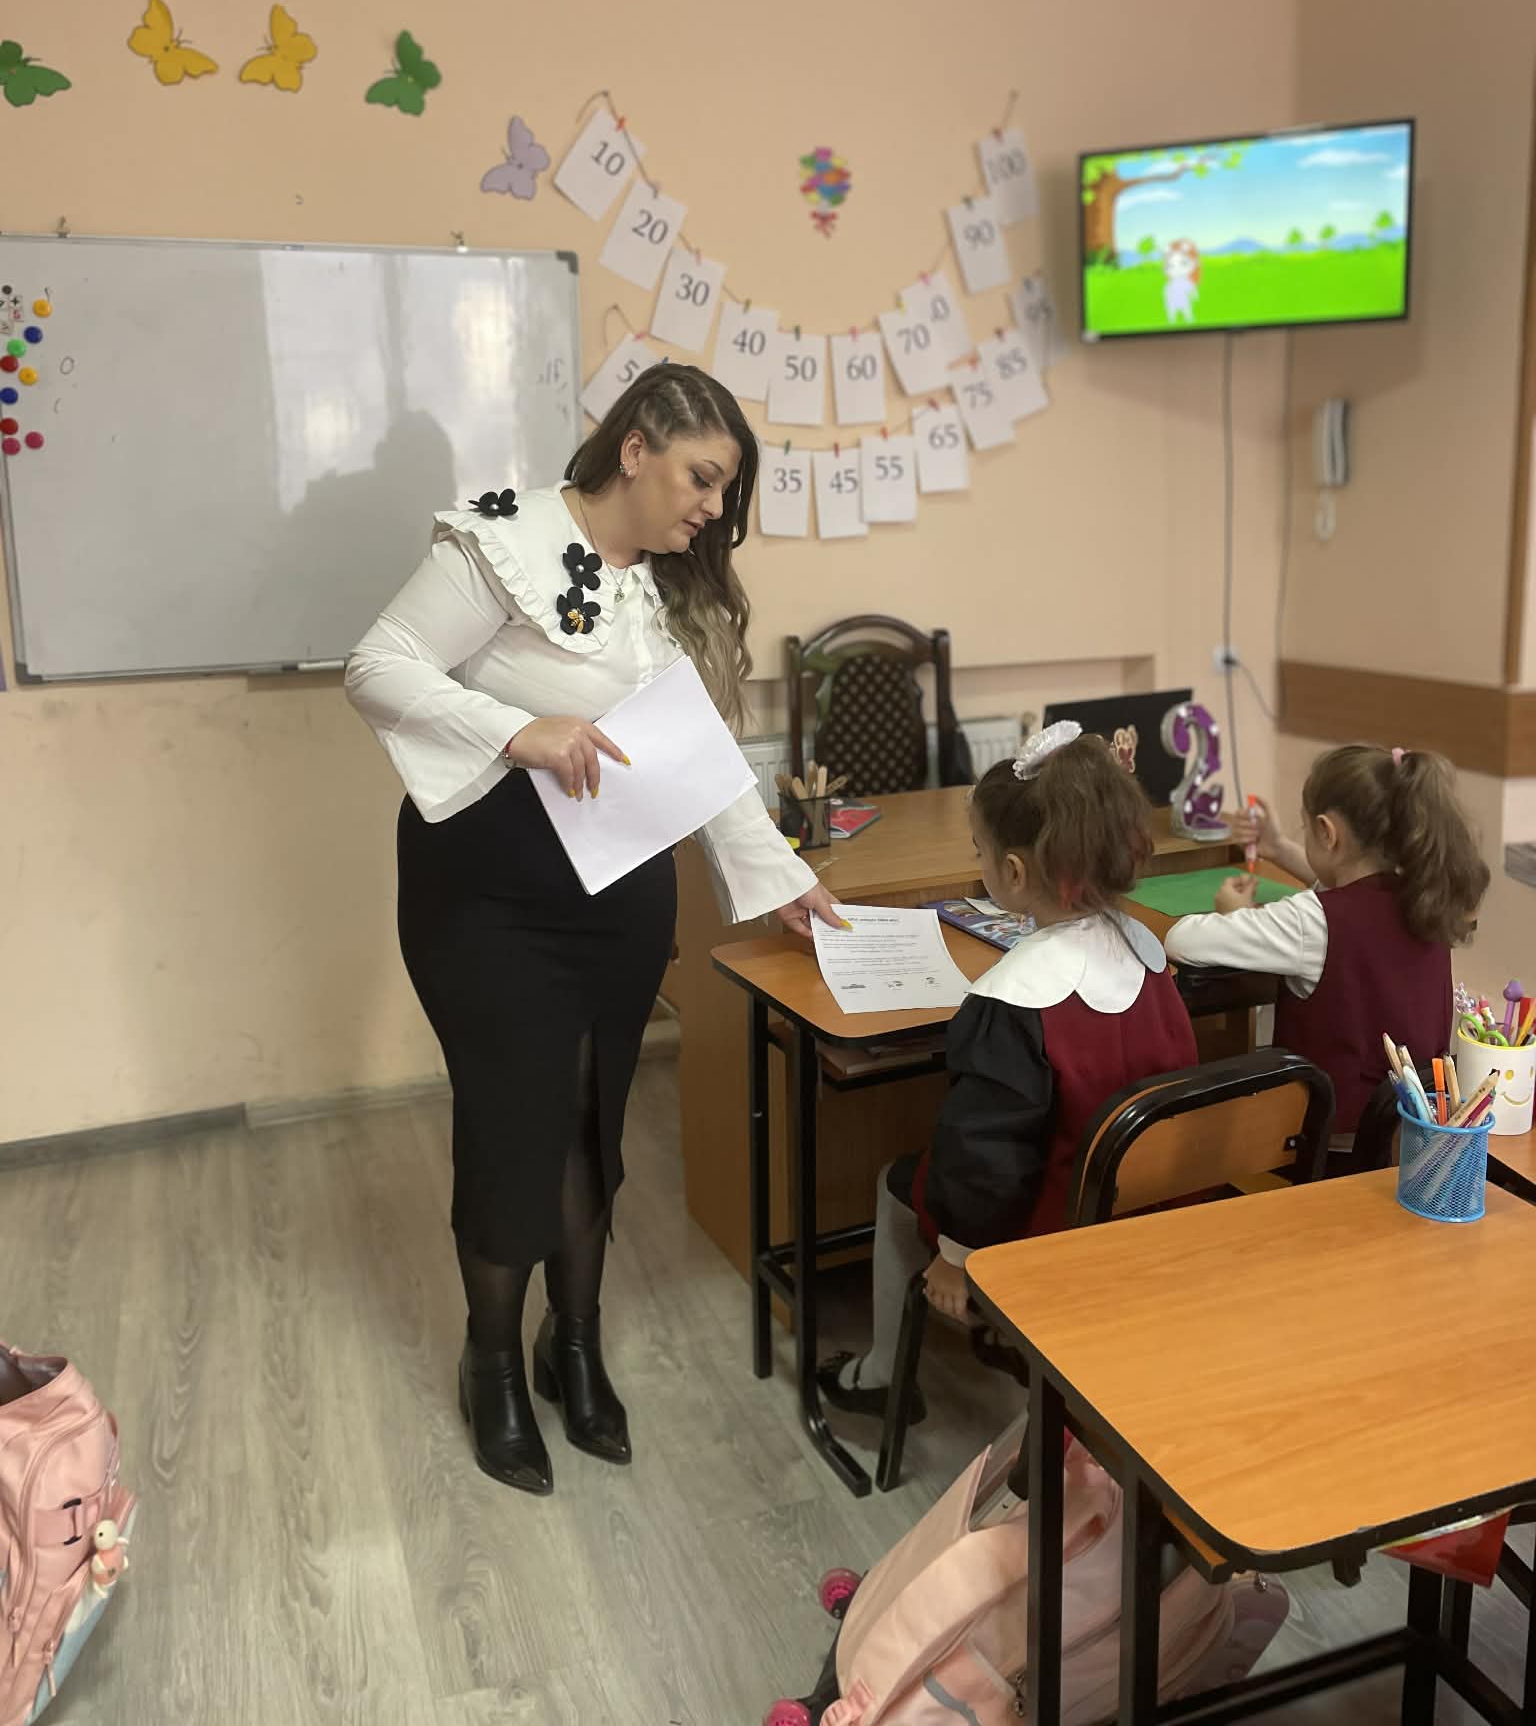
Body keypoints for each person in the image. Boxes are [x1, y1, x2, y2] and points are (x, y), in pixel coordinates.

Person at [346, 364, 844, 1495]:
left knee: (589, 1119)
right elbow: (377, 667)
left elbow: (696, 757)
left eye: (724, 490)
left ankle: (572, 1342)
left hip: (618, 892)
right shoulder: (503, 541)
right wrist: (519, 729)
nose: (712, 508)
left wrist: (781, 877)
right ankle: (489, 1359)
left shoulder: (663, 588)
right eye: (702, 477)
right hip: (488, 893)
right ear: (635, 447)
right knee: (510, 1126)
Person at [819, 723, 1197, 1417]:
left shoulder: (1014, 1000)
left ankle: (881, 1376)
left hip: (1053, 1231)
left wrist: (956, 1255)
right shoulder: (1152, 954)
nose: (979, 864)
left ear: (1015, 875)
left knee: (895, 1183)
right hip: (1145, 1215)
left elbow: (984, 1158)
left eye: (980, 853)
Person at [1166, 744, 1488, 1133]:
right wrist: (1279, 849)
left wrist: (1235, 915)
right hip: (1413, 1130)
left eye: (1306, 830)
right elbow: (1347, 891)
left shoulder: (1312, 921)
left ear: (1326, 831)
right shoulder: (1429, 894)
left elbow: (1180, 940)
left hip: (1328, 1138)